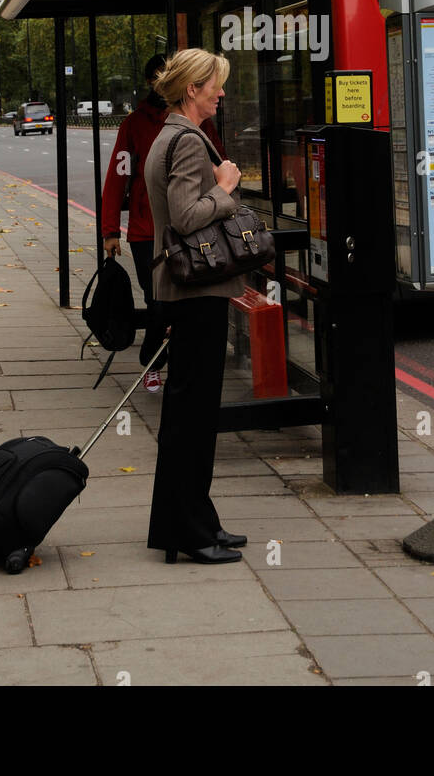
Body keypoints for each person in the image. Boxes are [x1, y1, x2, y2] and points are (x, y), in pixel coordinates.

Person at [143, 48, 247, 565]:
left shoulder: (171, 135)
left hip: (184, 291)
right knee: (192, 414)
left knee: (191, 413)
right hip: (196, 292)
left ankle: (193, 522)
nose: (221, 92)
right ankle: (188, 531)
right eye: (215, 85)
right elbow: (186, 218)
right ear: (192, 90)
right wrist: (226, 188)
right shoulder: (185, 143)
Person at [102, 55, 169, 390]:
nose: (165, 82)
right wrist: (110, 230)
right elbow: (117, 178)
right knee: (156, 301)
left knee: (180, 302)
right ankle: (151, 361)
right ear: (149, 83)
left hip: (187, 229)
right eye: (159, 77)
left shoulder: (194, 118)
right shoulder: (134, 124)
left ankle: (165, 359)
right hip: (145, 233)